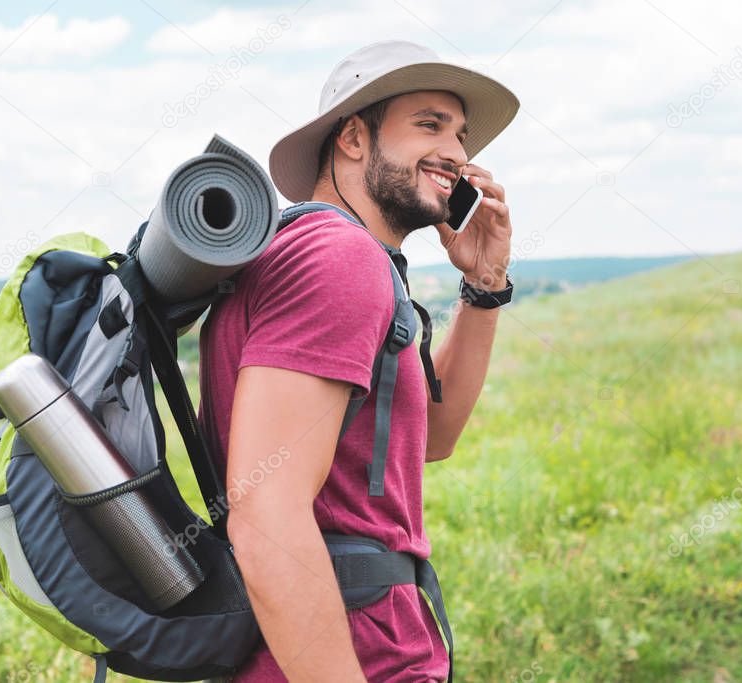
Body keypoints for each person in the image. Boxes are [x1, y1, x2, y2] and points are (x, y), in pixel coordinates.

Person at [197, 39, 518, 682]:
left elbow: (433, 438)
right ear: (351, 138)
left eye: (460, 135)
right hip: (355, 657)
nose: (457, 153)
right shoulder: (337, 258)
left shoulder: (320, 253)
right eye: (429, 125)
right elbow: (266, 514)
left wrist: (484, 287)